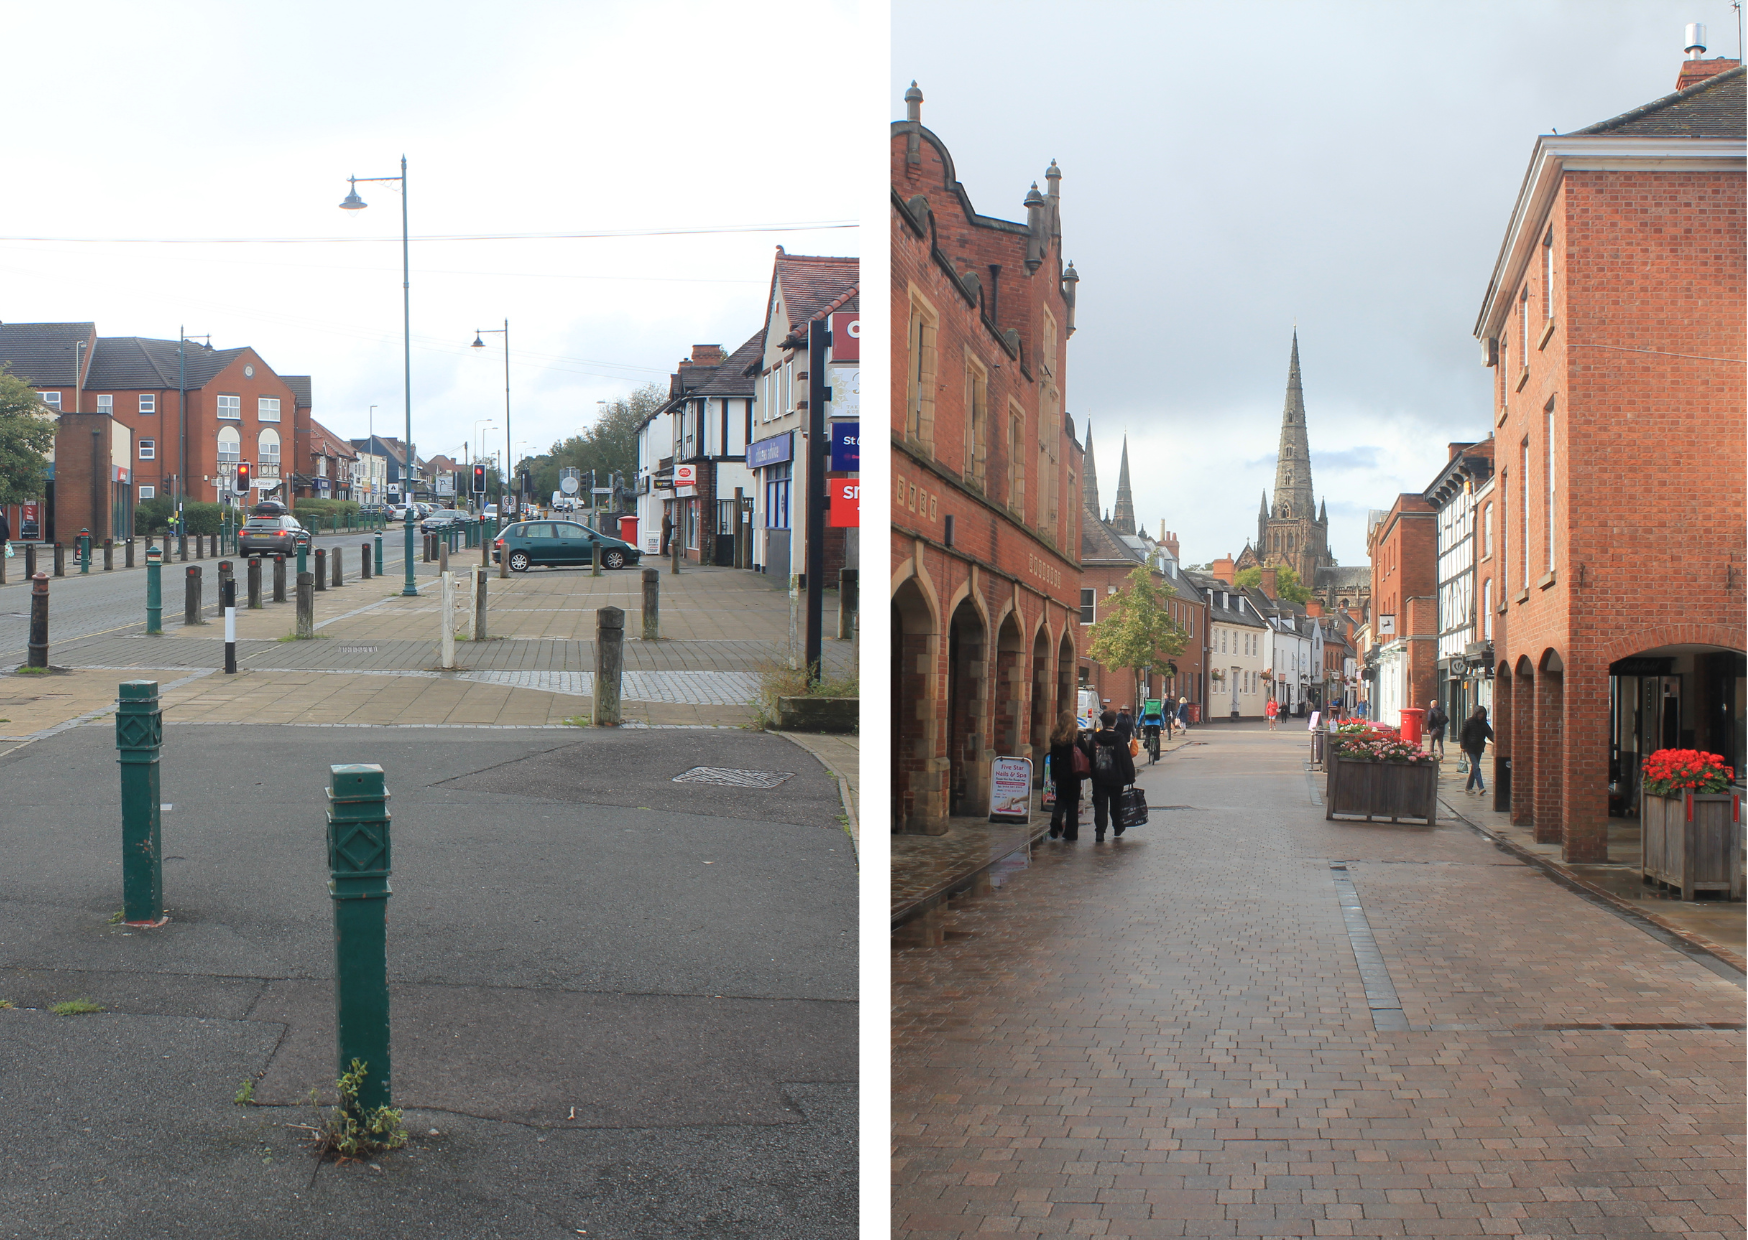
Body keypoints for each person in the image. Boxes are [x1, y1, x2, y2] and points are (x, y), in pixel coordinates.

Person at [1087, 708, 1137, 842]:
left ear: (1102, 723)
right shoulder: (1120, 738)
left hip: (1099, 777)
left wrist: (1091, 771)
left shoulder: (1096, 738)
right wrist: (1130, 775)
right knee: (1116, 803)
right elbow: (1125, 758)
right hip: (1117, 777)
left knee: (1100, 805)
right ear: (1115, 722)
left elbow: (1091, 756)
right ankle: (1118, 826)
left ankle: (1100, 832)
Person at [1047, 711, 1088, 841]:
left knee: (1060, 800)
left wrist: (1053, 775)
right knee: (1072, 804)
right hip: (1074, 773)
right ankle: (1071, 833)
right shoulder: (1077, 737)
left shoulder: (1055, 738)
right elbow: (1086, 753)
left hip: (1060, 774)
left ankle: (1055, 819)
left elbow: (1053, 759)